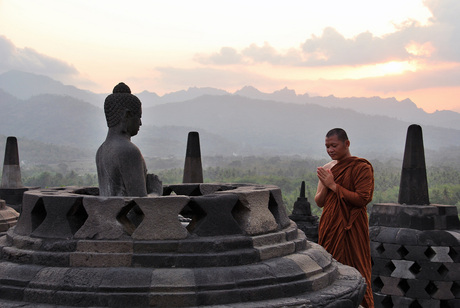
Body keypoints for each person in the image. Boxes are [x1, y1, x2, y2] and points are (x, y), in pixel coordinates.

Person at [315, 128, 374, 308]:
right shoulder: (327, 168)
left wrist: (333, 185)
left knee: (357, 266)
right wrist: (326, 185)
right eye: (327, 146)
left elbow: (363, 199)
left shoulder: (361, 167)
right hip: (330, 224)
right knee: (330, 267)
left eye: (334, 145)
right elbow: (319, 201)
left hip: (352, 226)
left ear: (346, 144)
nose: (330, 150)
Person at [96, 82, 162, 197]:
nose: (140, 123)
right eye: (139, 117)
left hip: (107, 214)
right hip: (125, 215)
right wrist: (156, 191)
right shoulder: (128, 151)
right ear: (127, 115)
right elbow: (140, 205)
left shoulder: (101, 150)